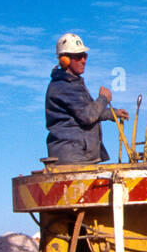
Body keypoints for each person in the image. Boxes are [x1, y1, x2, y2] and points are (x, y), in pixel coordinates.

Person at [45, 33, 128, 164]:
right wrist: (103, 98)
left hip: (80, 155)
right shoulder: (63, 87)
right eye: (78, 57)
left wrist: (113, 113)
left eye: (85, 56)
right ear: (65, 60)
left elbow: (85, 111)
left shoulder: (72, 84)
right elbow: (87, 116)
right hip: (72, 157)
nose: (84, 60)